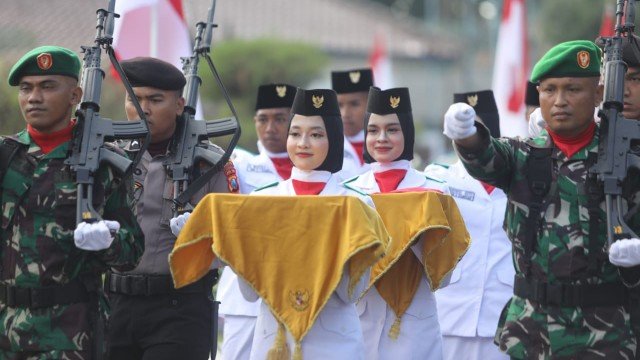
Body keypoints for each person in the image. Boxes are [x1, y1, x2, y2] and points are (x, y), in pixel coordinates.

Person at [443, 40, 640, 359]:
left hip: (604, 334)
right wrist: (467, 135)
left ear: (597, 94)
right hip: (532, 332)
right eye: (549, 90)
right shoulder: (523, 155)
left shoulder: (625, 158)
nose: (559, 101)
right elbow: (486, 157)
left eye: (572, 89)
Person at [0, 45, 144, 359]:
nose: (33, 97)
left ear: (75, 95)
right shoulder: (5, 156)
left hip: (73, 332)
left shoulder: (106, 163)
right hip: (6, 328)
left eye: (47, 86)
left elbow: (132, 251)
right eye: (26, 88)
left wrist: (108, 240)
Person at [106, 57, 234, 360]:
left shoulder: (209, 162)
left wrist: (200, 234)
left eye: (155, 99)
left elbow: (229, 242)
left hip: (179, 308)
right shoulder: (109, 156)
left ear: (179, 105)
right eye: (133, 98)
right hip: (114, 303)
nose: (142, 108)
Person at [242, 88, 375, 360]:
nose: (303, 143)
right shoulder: (262, 200)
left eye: (316, 134)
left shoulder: (356, 203)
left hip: (334, 343)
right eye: (295, 133)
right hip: (274, 341)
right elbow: (249, 293)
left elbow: (352, 293)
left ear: (334, 139)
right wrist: (226, 242)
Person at [344, 86, 452, 360]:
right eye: (373, 130)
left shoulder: (434, 191)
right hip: (357, 323)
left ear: (407, 132)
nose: (381, 138)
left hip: (414, 325)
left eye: (392, 129)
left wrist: (415, 233)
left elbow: (446, 276)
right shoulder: (347, 192)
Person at [427, 90, 513, 360]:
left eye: (477, 128)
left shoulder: (519, 177)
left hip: (503, 315)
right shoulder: (438, 178)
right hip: (449, 313)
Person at [218, 83, 296, 360]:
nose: (270, 127)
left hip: (298, 289)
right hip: (246, 295)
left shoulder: (317, 168)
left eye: (280, 119)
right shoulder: (239, 163)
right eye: (263, 119)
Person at [331, 68, 373, 177]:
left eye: (354, 104)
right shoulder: (326, 148)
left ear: (370, 104)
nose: (345, 114)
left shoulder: (386, 145)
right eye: (339, 105)